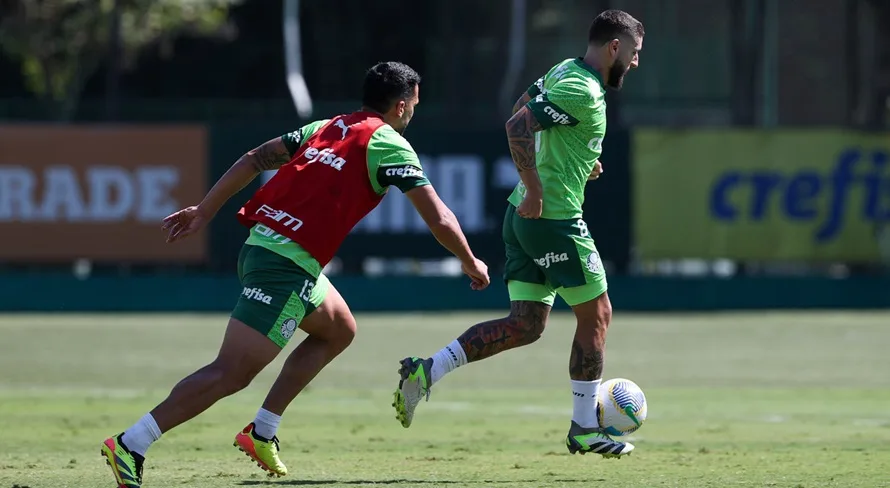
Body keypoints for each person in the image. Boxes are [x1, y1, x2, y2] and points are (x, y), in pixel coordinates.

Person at [101, 61, 490, 488]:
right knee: (232, 372)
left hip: (269, 251)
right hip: (283, 267)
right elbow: (439, 218)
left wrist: (204, 211)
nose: (413, 111)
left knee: (338, 329)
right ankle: (131, 443)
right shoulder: (390, 144)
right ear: (400, 106)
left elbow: (254, 158)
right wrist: (470, 260)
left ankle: (262, 430)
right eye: (414, 104)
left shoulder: (327, 127)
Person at [392, 10, 644, 458]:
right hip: (553, 220)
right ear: (615, 48)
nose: (636, 62)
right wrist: (536, 186)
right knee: (598, 314)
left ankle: (426, 371)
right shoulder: (582, 88)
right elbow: (518, 126)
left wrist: (577, 158)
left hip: (523, 217)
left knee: (525, 325)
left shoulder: (564, 70)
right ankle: (586, 428)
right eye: (635, 52)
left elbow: (520, 108)